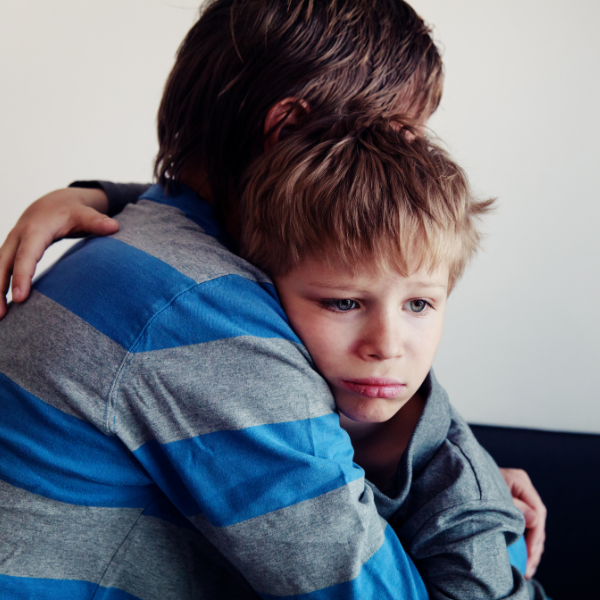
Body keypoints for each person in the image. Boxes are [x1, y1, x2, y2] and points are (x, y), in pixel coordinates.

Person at [0, 0, 545, 595]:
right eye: (390, 141)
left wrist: (103, 192)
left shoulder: (150, 243)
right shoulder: (202, 310)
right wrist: (477, 500)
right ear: (288, 130)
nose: (405, 172)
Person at [237, 116, 547, 599]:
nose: (387, 344)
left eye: (419, 304)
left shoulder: (464, 511)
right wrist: (101, 195)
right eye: (344, 302)